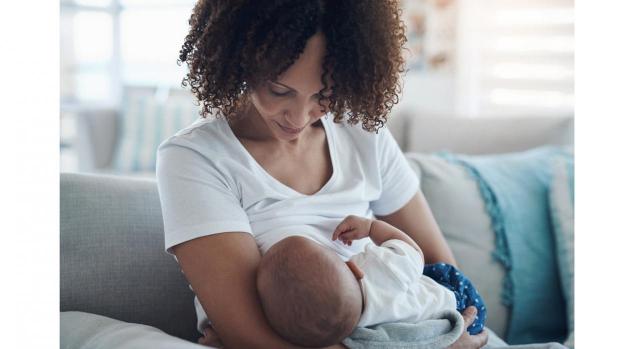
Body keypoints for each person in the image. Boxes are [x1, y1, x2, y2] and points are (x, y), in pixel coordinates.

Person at [156, 1, 488, 348]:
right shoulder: (196, 158)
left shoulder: (362, 133)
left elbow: (445, 274)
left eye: (324, 95)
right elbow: (250, 337)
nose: (299, 117)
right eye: (280, 91)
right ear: (240, 58)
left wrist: (439, 336)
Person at [255, 215, 487, 348]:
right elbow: (413, 251)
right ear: (354, 268)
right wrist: (372, 227)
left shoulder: (351, 334)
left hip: (438, 331)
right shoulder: (378, 268)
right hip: (457, 302)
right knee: (434, 272)